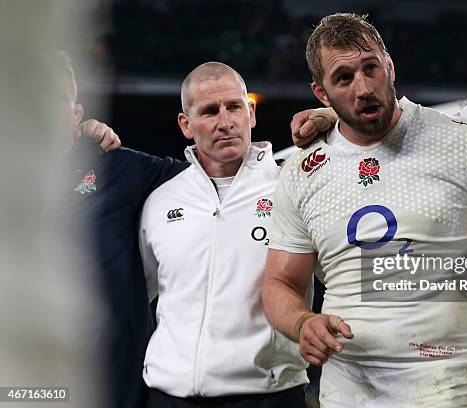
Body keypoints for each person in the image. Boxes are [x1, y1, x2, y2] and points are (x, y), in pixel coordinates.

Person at [261, 13, 467, 408]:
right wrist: (303, 322)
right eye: (343, 78)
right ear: (321, 93)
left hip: (444, 382)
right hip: (348, 389)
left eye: (370, 69)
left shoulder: (463, 139)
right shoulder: (301, 171)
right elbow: (279, 284)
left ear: (389, 66)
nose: (363, 88)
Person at [139, 62, 309, 408]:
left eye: (234, 107)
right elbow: (140, 293)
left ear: (251, 113)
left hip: (267, 396)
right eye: (209, 111)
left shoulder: (292, 190)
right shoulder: (160, 202)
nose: (225, 122)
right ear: (186, 125)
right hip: (167, 396)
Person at [56, 50, 190, 408]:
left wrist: (326, 123)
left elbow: (213, 171)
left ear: (76, 114)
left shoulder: (121, 168)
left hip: (120, 381)